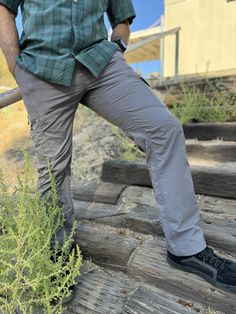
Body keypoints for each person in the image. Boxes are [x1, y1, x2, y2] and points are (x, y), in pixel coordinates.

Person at [0, 0, 235, 297]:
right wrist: (16, 65)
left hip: (100, 64)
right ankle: (58, 252)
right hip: (43, 69)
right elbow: (4, 8)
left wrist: (118, 48)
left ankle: (187, 247)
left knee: (163, 129)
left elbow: (122, 18)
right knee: (52, 169)